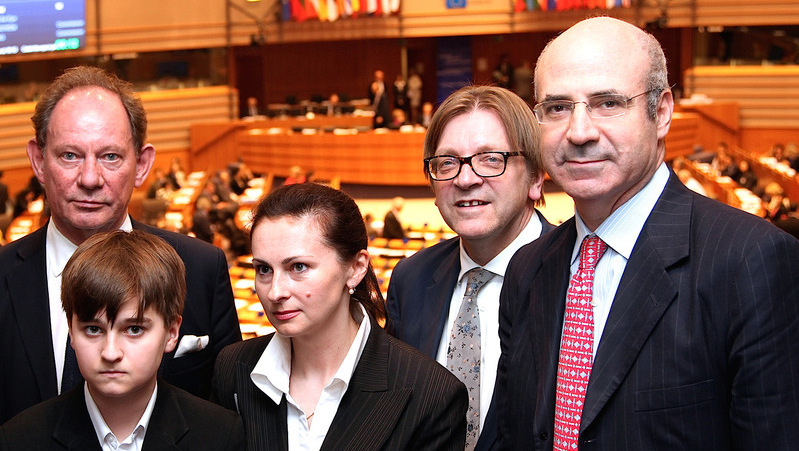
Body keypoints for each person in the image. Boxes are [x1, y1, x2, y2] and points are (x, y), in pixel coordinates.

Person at [496, 17, 799, 450]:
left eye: (608, 103)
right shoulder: (527, 268)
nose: (579, 132)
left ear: (661, 112)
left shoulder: (752, 261)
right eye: (557, 108)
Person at [0, 66, 241, 424]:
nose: (90, 179)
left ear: (142, 165)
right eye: (70, 155)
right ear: (38, 160)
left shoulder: (201, 269)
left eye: (110, 156)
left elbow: (226, 418)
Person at [213, 183, 468, 451]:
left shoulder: (432, 394)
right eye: (264, 269)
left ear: (356, 268)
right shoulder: (232, 368)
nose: (275, 292)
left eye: (298, 267)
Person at [386, 85, 554, 451]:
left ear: (537, 177)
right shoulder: (410, 280)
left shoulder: (576, 276)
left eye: (491, 158)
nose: (465, 179)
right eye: (447, 162)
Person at [0, 231, 245, 450]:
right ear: (71, 332)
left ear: (171, 333)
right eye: (94, 330)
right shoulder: (18, 439)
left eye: (134, 329)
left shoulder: (221, 435)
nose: (110, 352)